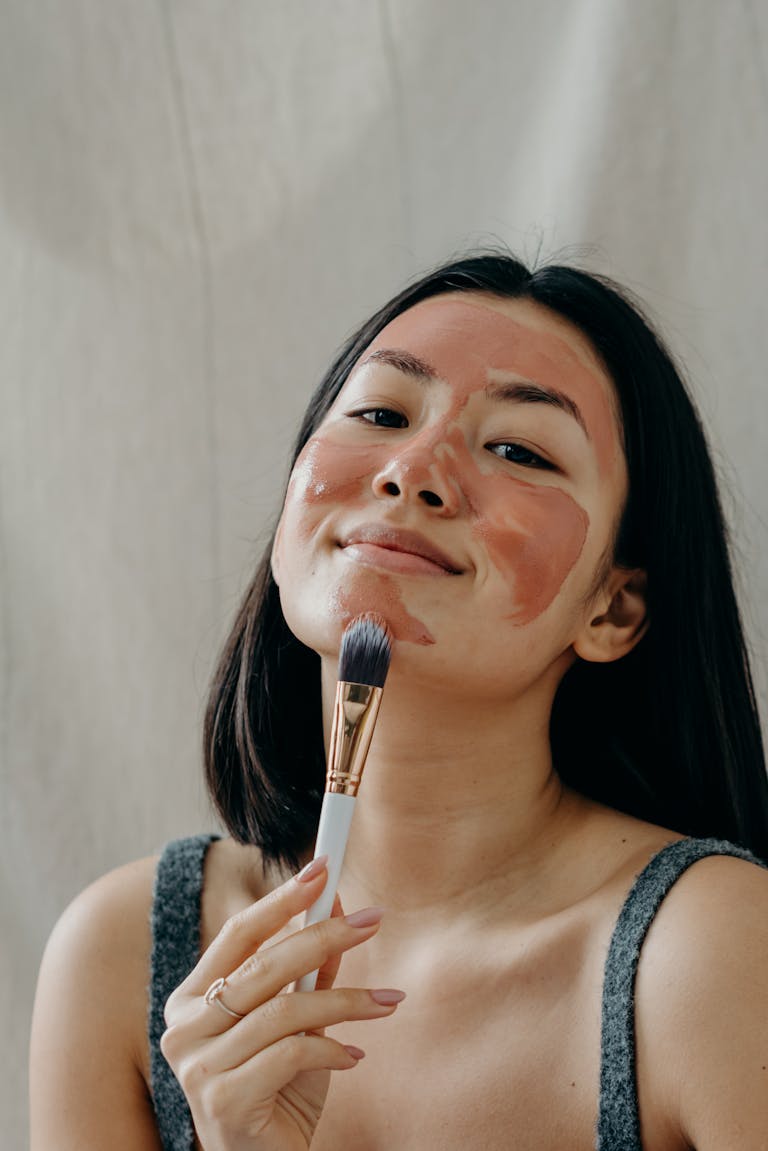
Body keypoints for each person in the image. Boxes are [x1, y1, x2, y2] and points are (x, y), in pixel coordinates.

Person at [30, 252, 768, 1150]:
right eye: (381, 413)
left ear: (613, 607)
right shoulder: (121, 954)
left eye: (520, 449)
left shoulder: (716, 955)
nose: (413, 470)